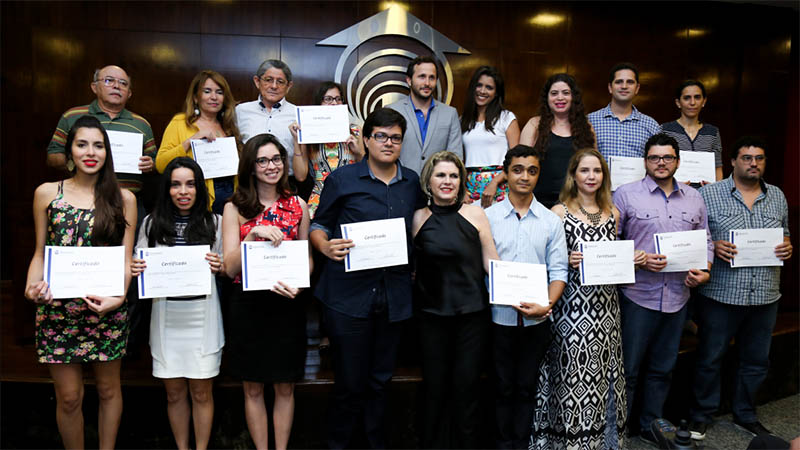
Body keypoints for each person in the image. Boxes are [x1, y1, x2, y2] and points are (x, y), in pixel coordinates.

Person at [310, 108, 426, 449]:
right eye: (381, 136)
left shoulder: (412, 182)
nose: (388, 143)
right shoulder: (342, 180)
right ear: (366, 139)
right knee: (349, 384)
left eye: (395, 138)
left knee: (379, 382)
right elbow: (319, 226)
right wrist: (325, 247)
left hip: (394, 297)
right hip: (348, 298)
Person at [25, 115, 137, 449]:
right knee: (70, 398)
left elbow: (125, 259)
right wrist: (33, 287)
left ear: (108, 152)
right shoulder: (47, 194)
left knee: (107, 390)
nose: (91, 152)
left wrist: (120, 298)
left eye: (98, 145)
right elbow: (40, 254)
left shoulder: (124, 199)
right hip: (57, 313)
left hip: (106, 311)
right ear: (70, 150)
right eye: (82, 144)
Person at [531, 148, 646, 449]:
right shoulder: (559, 212)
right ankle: (568, 441)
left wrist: (630, 259)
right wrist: (566, 257)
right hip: (572, 307)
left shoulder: (614, 213)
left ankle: (601, 441)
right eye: (585, 170)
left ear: (604, 176)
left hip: (607, 308)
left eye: (597, 171)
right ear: (573, 175)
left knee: (604, 374)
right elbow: (546, 258)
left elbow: (615, 258)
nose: (591, 176)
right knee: (572, 374)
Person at [688, 137, 792, 441]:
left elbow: (784, 236)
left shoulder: (777, 196)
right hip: (722, 293)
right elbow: (694, 236)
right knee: (710, 357)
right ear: (733, 161)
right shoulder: (708, 194)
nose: (753, 163)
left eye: (759, 158)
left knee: (756, 360)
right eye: (746, 158)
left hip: (765, 294)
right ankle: (701, 415)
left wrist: (787, 247)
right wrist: (713, 245)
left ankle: (745, 414)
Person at [613, 133, 714, 446]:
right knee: (628, 370)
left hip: (677, 298)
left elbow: (706, 241)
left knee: (662, 369)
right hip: (638, 297)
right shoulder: (625, 195)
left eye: (667, 157)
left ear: (678, 161)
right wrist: (637, 260)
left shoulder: (695, 198)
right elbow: (611, 244)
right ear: (645, 161)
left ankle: (650, 425)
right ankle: (620, 429)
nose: (661, 163)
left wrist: (705, 271)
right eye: (655, 158)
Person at [221, 134, 312, 450]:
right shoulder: (234, 207)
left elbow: (307, 260)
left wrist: (300, 281)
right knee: (253, 388)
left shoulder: (297, 204)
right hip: (248, 306)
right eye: (263, 160)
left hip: (286, 304)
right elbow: (229, 268)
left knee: (286, 387)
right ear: (250, 165)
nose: (271, 166)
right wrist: (253, 234)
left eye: (276, 159)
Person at [130, 157, 224, 450]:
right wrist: (136, 268)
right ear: (166, 189)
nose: (183, 191)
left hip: (203, 317)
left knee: (201, 393)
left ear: (199, 188)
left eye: (190, 184)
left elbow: (227, 267)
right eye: (175, 184)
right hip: (166, 317)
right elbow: (139, 262)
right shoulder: (150, 223)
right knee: (173, 394)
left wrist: (220, 264)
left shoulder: (215, 222)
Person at [412, 151, 499, 448]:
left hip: (471, 318)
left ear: (461, 181)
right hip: (430, 317)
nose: (447, 181)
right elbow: (413, 269)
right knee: (434, 390)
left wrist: (524, 288)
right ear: (429, 180)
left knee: (467, 390)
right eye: (441, 175)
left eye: (453, 176)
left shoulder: (475, 213)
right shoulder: (418, 218)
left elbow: (492, 263)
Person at [485, 144, 568, 450]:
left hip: (536, 320)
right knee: (501, 386)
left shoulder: (550, 221)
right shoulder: (488, 217)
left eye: (532, 171)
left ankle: (521, 444)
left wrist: (546, 304)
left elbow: (559, 271)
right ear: (506, 174)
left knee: (525, 386)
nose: (525, 177)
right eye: (518, 170)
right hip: (497, 318)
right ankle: (501, 443)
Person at [46, 65, 157, 196]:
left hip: (128, 200)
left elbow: (155, 162)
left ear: (129, 93)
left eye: (123, 83)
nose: (117, 86)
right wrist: (76, 160)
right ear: (94, 87)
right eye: (109, 80)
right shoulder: (72, 116)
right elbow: (52, 156)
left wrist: (150, 164)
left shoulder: (142, 124)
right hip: (81, 197)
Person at [155, 70, 241, 215]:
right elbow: (161, 164)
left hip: (230, 197)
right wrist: (191, 141)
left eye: (219, 92)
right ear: (195, 97)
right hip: (197, 199)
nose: (214, 97)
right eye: (207, 91)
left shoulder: (228, 126)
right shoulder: (180, 123)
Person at [236, 60, 311, 199]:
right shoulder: (240, 111)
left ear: (289, 86)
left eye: (280, 81)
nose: (274, 86)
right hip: (249, 188)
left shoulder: (299, 115)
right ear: (257, 81)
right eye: (268, 80)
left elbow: (302, 173)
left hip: (287, 186)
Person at [519, 73, 596, 209]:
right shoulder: (534, 125)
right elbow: (520, 165)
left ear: (573, 97)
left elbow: (594, 166)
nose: (560, 98)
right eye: (554, 93)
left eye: (565, 93)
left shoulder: (586, 127)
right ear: (547, 98)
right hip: (538, 204)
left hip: (576, 204)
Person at [289, 81, 365, 218]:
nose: (334, 103)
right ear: (319, 103)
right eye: (328, 99)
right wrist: (296, 139)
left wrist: (358, 151)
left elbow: (366, 170)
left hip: (352, 196)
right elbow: (300, 176)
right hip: (320, 199)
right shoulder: (308, 132)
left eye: (338, 99)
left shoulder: (355, 131)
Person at [387, 55, 463, 174]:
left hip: (437, 187)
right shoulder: (392, 111)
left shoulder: (450, 114)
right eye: (422, 77)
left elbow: (455, 157)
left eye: (431, 78)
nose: (427, 83)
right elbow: (386, 152)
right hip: (400, 184)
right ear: (409, 80)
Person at [460, 66, 520, 207]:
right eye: (479, 85)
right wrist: (461, 189)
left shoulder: (506, 118)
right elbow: (458, 159)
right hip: (469, 190)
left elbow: (517, 160)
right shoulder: (463, 120)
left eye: (489, 87)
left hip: (500, 186)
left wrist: (494, 183)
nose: (482, 91)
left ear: (496, 93)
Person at [588, 62, 661, 161]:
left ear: (637, 88)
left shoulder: (651, 125)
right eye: (619, 82)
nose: (624, 86)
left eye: (630, 82)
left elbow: (656, 162)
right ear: (610, 87)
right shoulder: (590, 121)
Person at [662, 80, 724, 185]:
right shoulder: (665, 130)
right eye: (687, 98)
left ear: (704, 101)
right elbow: (660, 164)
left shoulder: (712, 132)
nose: (692, 102)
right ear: (678, 103)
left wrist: (715, 187)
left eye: (697, 97)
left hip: (705, 194)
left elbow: (717, 167)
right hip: (673, 194)